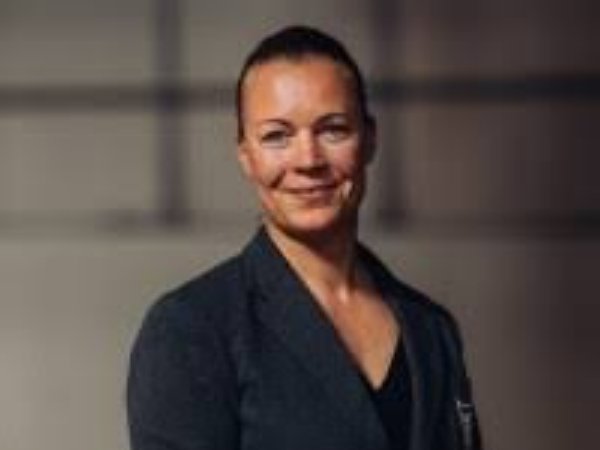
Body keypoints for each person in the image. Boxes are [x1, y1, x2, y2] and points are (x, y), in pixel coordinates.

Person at [127, 25, 482, 450]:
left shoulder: (432, 329)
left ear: (370, 139)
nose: (308, 160)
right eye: (277, 136)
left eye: (333, 129)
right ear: (246, 156)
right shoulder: (192, 329)